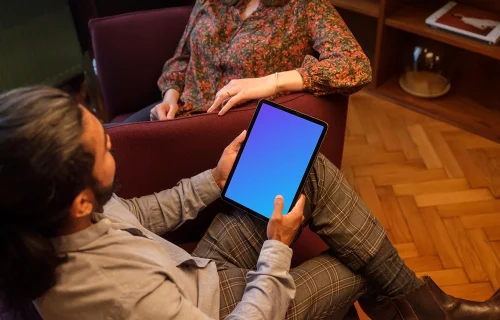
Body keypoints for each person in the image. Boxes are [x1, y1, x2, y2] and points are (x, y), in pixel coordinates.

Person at [1, 87, 499, 320]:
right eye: (103, 147)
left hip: (197, 271)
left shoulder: (56, 212)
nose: (114, 141)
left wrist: (214, 179)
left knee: (301, 163)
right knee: (364, 265)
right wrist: (277, 250)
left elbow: (139, 215)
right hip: (227, 308)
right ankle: (436, 313)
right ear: (81, 201)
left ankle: (432, 312)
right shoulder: (112, 298)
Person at [124, 0, 372, 122]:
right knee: (105, 147)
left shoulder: (306, 6)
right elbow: (182, 57)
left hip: (240, 129)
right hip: (181, 112)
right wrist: (170, 97)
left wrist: (272, 82)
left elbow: (355, 66)